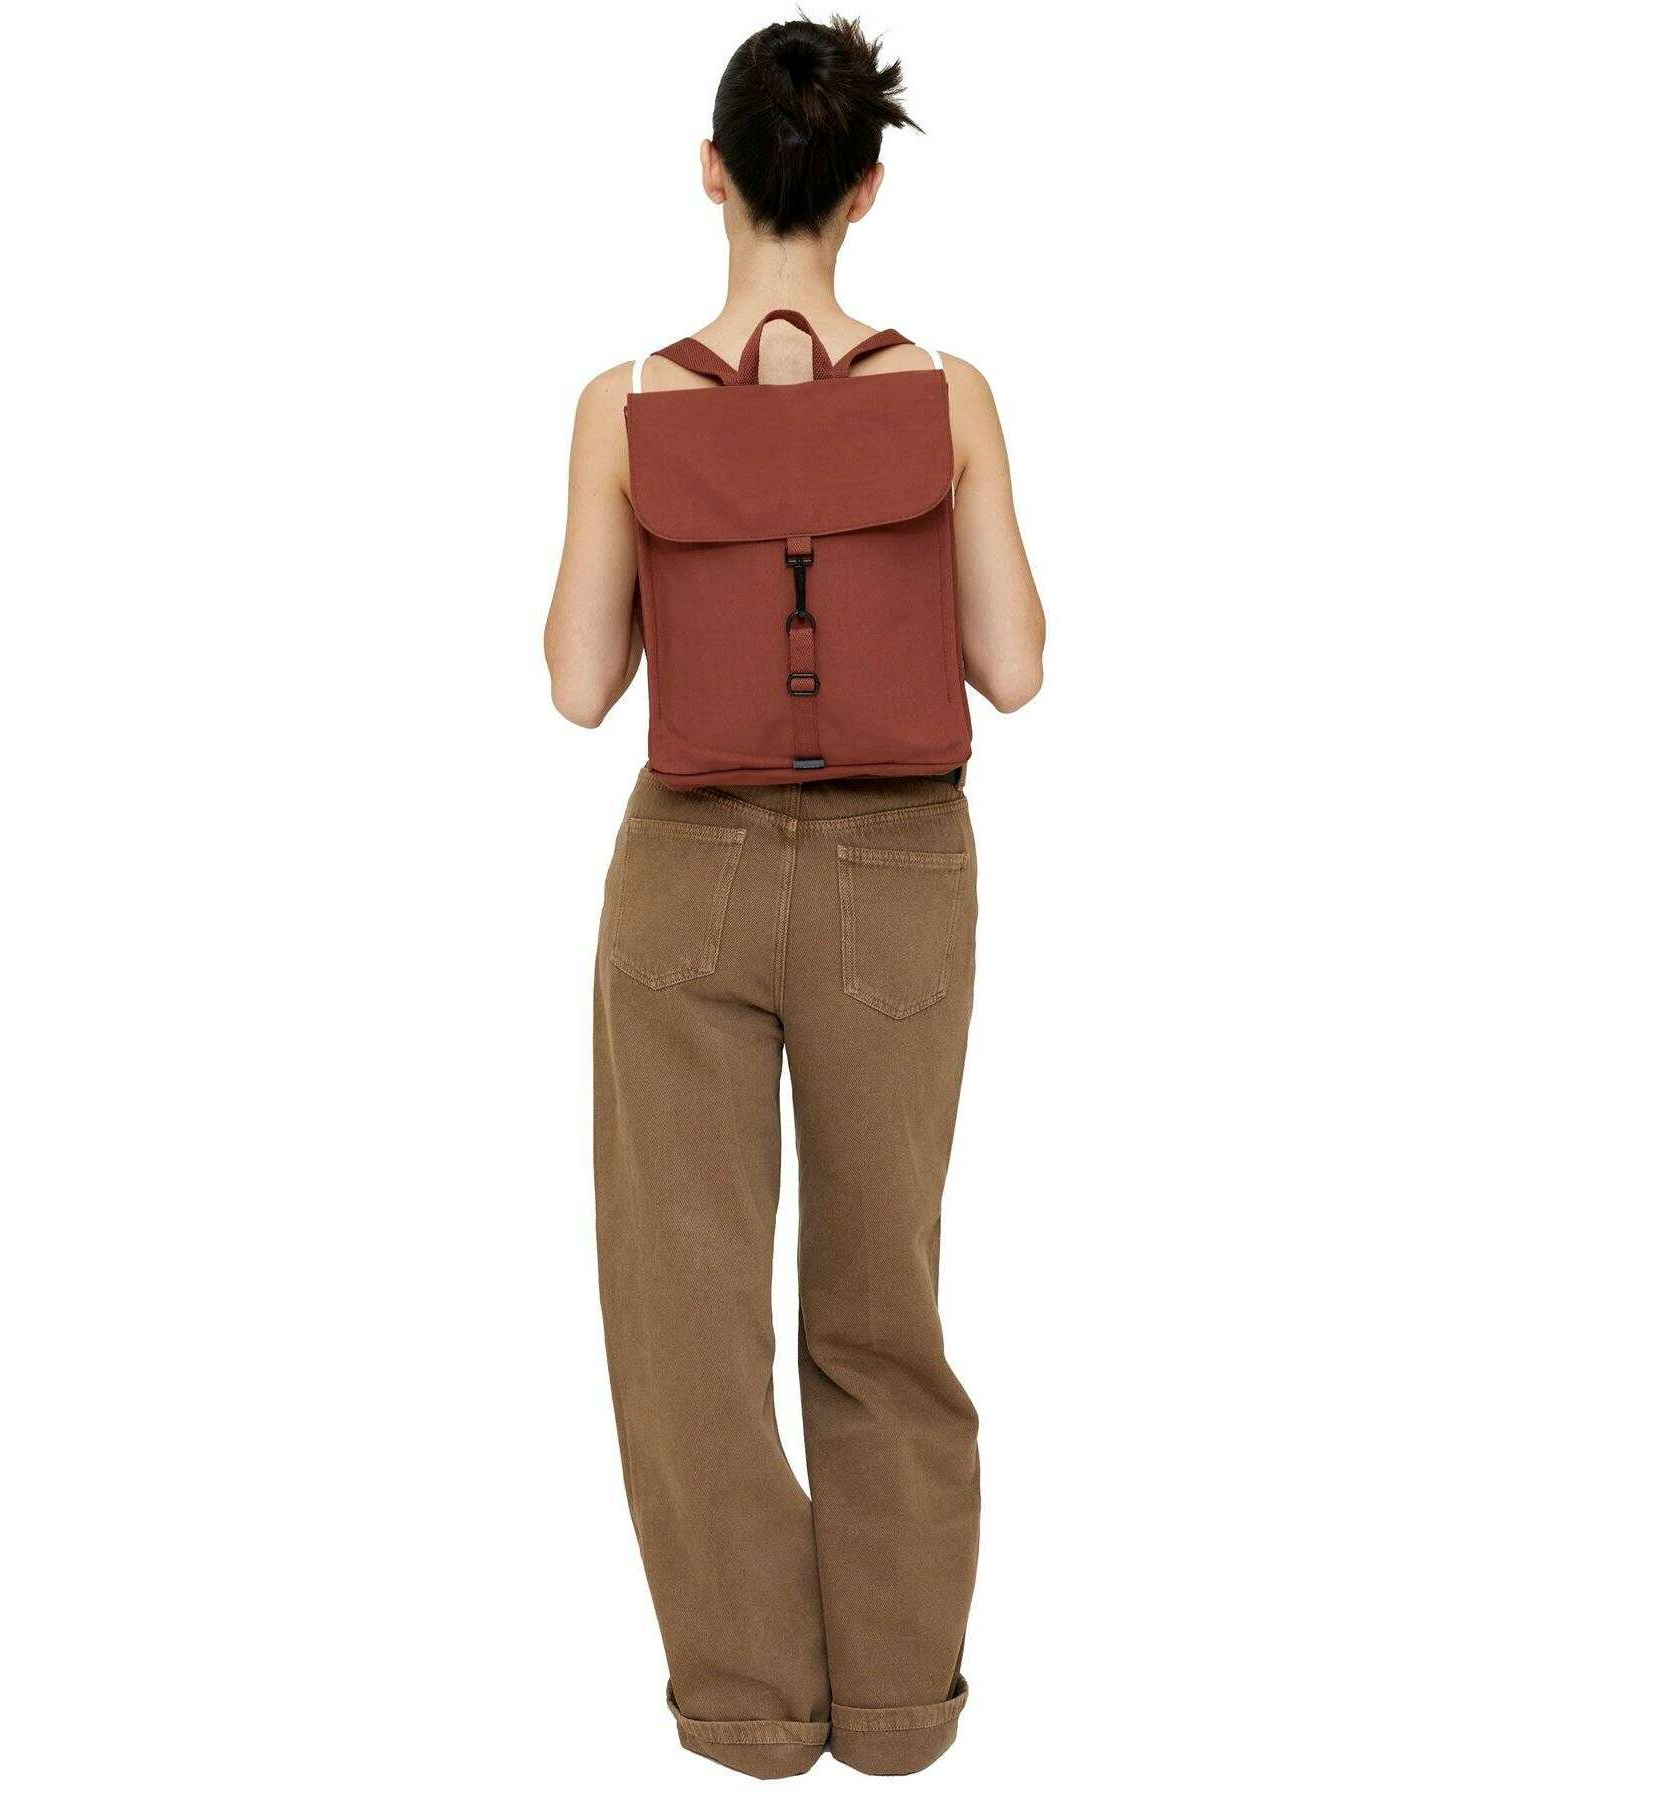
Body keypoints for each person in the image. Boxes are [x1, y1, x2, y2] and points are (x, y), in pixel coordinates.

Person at [544, 15, 1044, 1779]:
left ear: (712, 171)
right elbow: (1014, 668)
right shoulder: (949, 396)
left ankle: (754, 1717)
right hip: (902, 871)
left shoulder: (626, 405)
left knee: (686, 1324)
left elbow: (581, 687)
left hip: (686, 871)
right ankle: (898, 1715)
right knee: (882, 1304)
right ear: (864, 188)